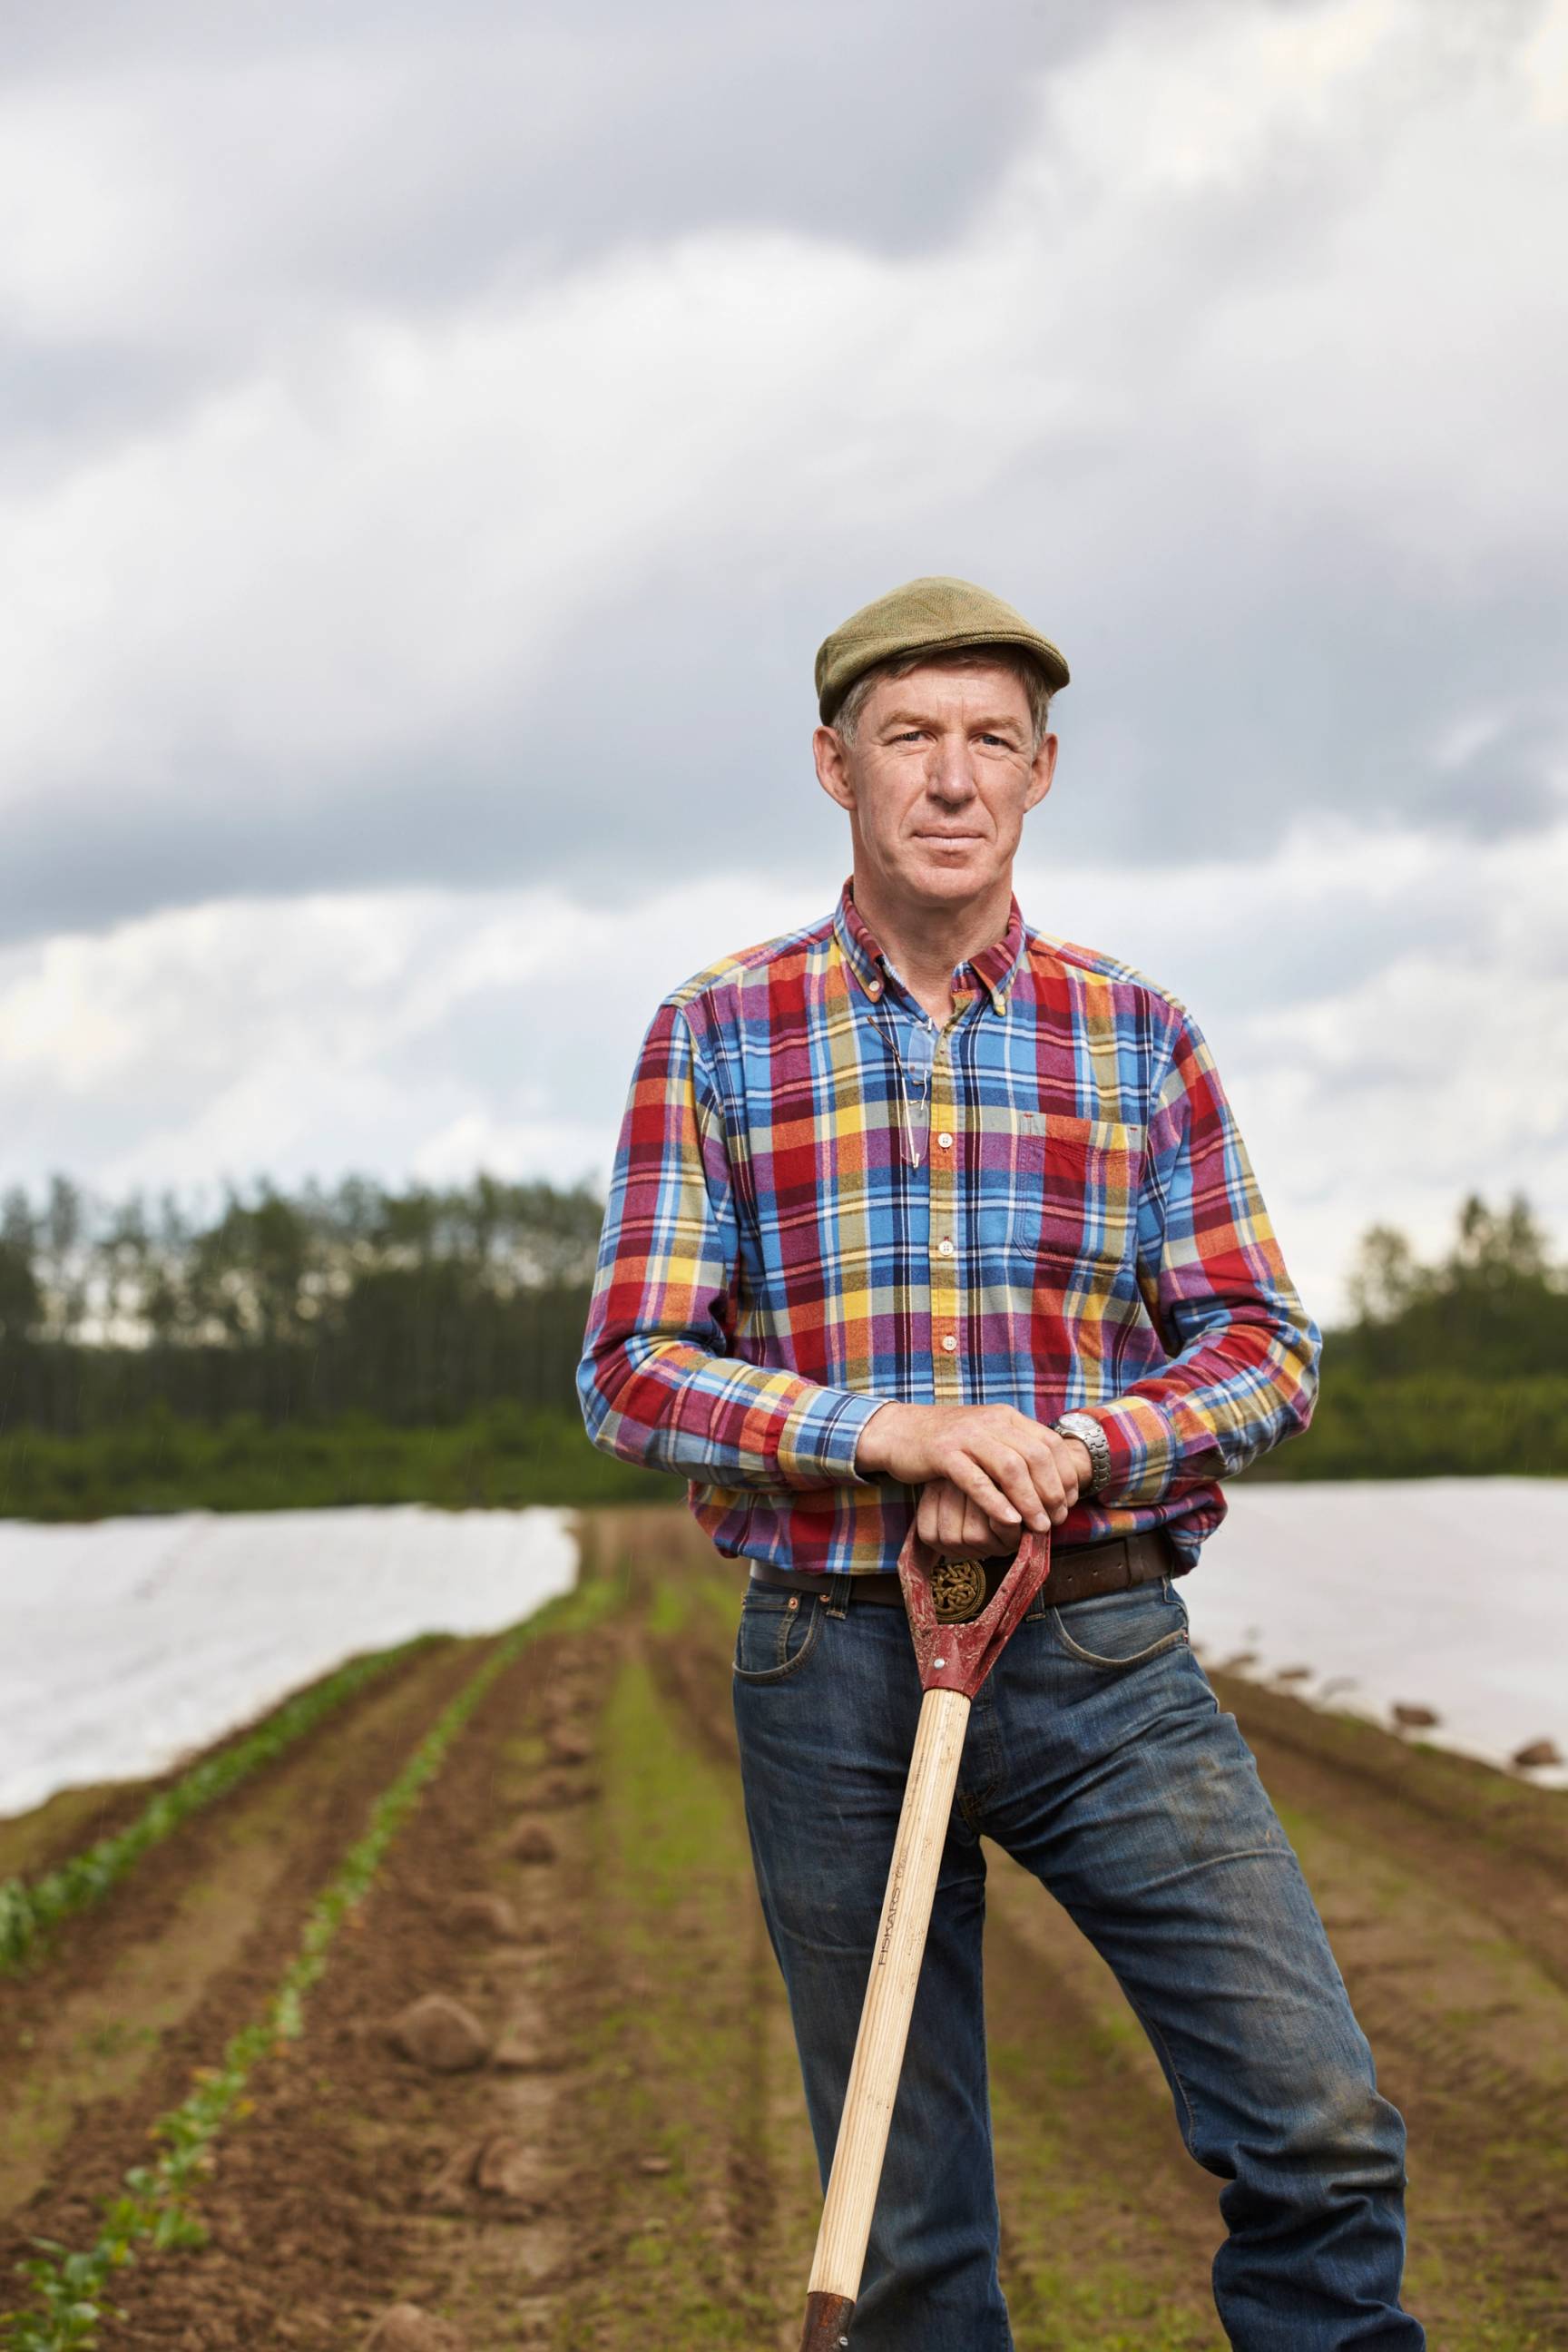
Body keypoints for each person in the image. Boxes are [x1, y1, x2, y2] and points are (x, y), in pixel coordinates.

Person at [577, 575, 1422, 2350]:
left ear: (1041, 774)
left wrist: (1070, 1451)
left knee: (1319, 2131)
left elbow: (1266, 1349)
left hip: (1098, 1651)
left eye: (989, 742)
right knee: (904, 2227)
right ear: (836, 766)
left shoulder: (1138, 1033)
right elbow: (634, 1369)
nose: (951, 778)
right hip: (830, 1657)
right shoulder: (718, 1032)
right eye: (910, 739)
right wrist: (886, 1433)